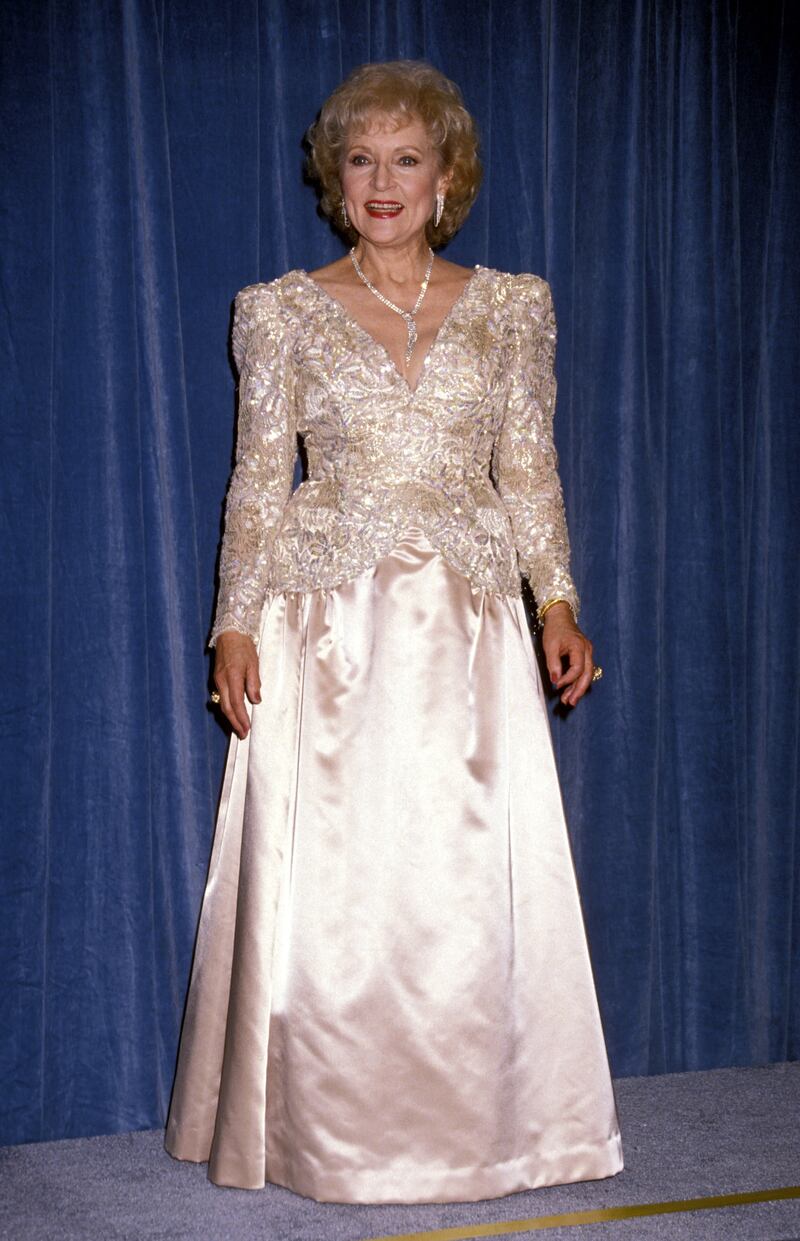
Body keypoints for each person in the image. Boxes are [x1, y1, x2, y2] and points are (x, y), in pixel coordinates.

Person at [164, 59, 624, 1205]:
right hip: (327, 629)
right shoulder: (279, 313)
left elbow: (526, 465)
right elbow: (256, 481)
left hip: (470, 626)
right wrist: (231, 625)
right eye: (361, 159)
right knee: (343, 884)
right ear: (335, 176)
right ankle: (325, 1127)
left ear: (445, 174)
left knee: (465, 878)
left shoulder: (512, 305)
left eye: (406, 159)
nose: (383, 181)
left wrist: (555, 606)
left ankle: (487, 1124)